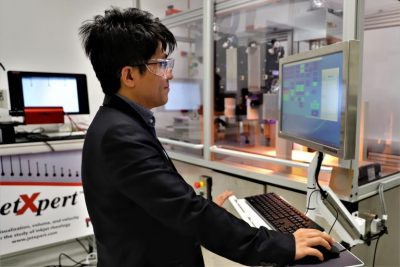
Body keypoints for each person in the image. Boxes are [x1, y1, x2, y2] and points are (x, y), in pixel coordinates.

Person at [79, 7, 334, 266]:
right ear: (129, 75)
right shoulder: (120, 135)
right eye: (161, 64)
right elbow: (187, 211)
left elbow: (164, 203)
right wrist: (280, 245)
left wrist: (205, 212)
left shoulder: (120, 122)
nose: (170, 74)